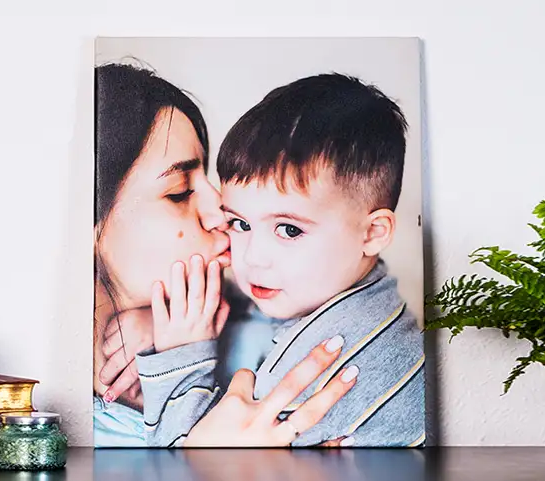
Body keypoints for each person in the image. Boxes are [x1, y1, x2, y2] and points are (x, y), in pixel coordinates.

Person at [136, 73, 425, 447]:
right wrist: (147, 317)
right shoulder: (369, 301)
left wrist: (179, 355)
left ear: (372, 233)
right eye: (239, 223)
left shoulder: (319, 364)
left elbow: (185, 456)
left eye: (289, 230)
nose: (252, 258)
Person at [93, 62, 359, 447]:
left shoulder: (280, 327)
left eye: (208, 180)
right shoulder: (63, 433)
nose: (221, 211)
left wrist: (164, 333)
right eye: (180, 191)